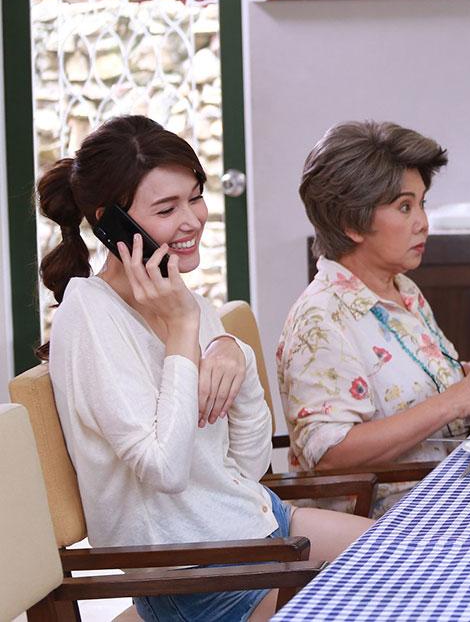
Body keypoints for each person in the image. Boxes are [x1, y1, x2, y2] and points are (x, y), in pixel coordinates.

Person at [39, 115, 370, 622]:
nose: (192, 220)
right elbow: (164, 470)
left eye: (195, 197)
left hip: (259, 525)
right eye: (166, 208)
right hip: (197, 574)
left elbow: (249, 464)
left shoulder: (181, 298)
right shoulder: (90, 314)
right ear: (110, 223)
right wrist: (182, 331)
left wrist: (236, 355)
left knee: (428, 564)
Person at [278, 121, 470, 513]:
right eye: (405, 207)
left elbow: (427, 386)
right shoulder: (320, 319)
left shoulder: (400, 289)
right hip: (395, 516)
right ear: (351, 222)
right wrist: (452, 403)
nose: (422, 222)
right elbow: (331, 454)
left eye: (421, 204)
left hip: (449, 484)